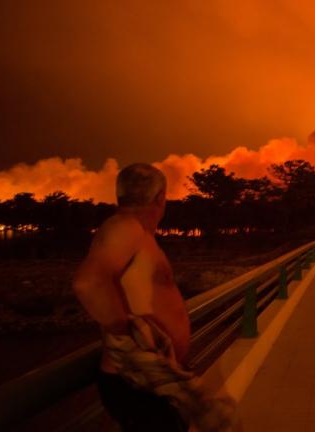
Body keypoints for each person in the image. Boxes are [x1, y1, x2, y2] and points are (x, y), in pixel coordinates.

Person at [73, 163, 238, 431]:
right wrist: (125, 334)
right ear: (160, 197)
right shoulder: (125, 228)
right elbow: (87, 282)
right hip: (137, 379)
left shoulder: (136, 232)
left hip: (153, 376)